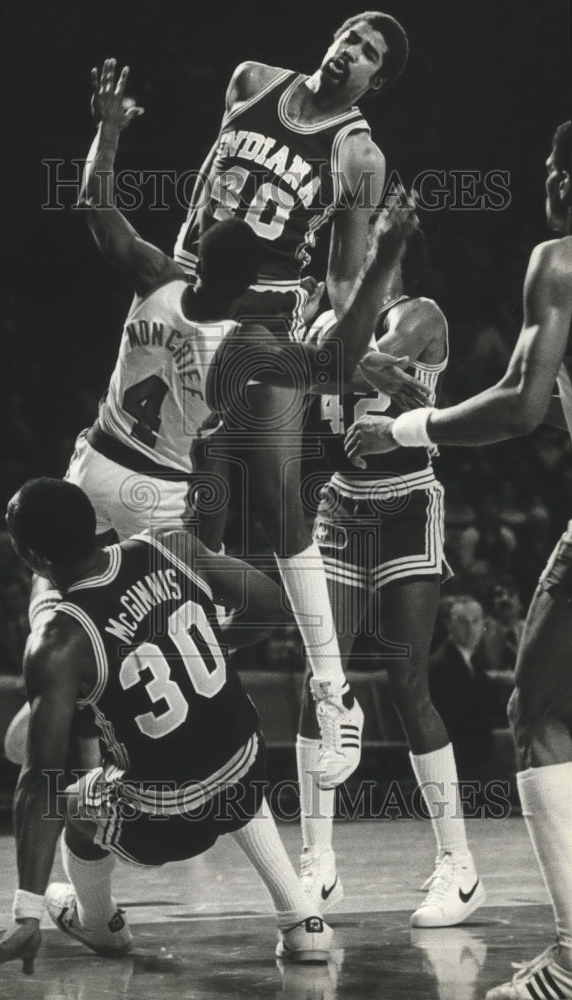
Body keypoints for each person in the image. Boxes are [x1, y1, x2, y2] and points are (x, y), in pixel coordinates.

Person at [17, 60, 425, 790]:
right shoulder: (246, 349)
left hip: (93, 466)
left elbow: (93, 202)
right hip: (159, 507)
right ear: (252, 284)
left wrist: (107, 129)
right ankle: (292, 688)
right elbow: (330, 365)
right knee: (256, 600)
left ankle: (55, 672)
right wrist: (388, 259)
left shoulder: (155, 277)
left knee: (68, 589)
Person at [346, 122, 572, 1000]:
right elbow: (554, 405)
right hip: (356, 511)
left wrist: (407, 425)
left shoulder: (558, 259)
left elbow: (521, 406)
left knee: (540, 709)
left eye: (557, 163)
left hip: (414, 498)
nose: (547, 175)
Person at [0, 477, 333, 984]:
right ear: (94, 524)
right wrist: (205, 645)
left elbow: (38, 774)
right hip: (252, 766)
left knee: (70, 800)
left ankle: (99, 923)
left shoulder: (59, 640)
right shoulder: (168, 544)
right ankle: (299, 916)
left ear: (32, 558)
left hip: (170, 819)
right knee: (215, 733)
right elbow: (269, 606)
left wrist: (27, 913)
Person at [174, 13, 410, 788]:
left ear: (379, 79)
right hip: (188, 299)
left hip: (269, 318)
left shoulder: (359, 155)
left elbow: (345, 276)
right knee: (168, 494)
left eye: (369, 52)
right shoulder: (251, 80)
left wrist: (359, 347)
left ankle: (335, 692)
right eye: (349, 34)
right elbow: (206, 191)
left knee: (279, 510)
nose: (351, 50)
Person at [296, 225, 486, 927]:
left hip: (407, 503)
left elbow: (358, 360)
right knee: (320, 680)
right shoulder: (319, 316)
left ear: (397, 245)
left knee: (409, 683)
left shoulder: (419, 314)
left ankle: (458, 867)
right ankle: (319, 863)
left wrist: (325, 357)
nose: (349, 241)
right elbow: (286, 371)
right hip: (342, 506)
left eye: (370, 230)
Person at [428, 596, 500, 777]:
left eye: (475, 621)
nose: (470, 629)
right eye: (462, 622)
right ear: (449, 625)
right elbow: (458, 722)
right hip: (458, 753)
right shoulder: (443, 664)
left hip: (472, 743)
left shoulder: (471, 659)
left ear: (483, 624)